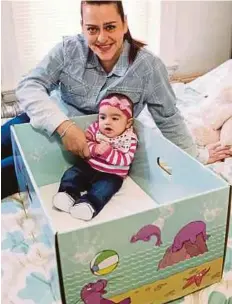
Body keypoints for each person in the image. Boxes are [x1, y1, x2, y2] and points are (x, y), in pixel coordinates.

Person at [1, 0, 231, 199]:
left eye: (110, 27)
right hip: (47, 122)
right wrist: (64, 127)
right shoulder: (67, 50)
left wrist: (196, 157)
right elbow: (29, 85)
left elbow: (169, 119)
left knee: (7, 172)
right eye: (92, 29)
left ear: (124, 24)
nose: (101, 38)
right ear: (82, 28)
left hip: (88, 148)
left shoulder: (148, 68)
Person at [53, 93, 138, 221]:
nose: (107, 122)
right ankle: (68, 193)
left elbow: (126, 160)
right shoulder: (95, 128)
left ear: (128, 123)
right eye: (103, 117)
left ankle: (89, 204)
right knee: (72, 174)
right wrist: (94, 148)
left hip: (112, 175)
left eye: (115, 119)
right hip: (89, 166)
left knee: (104, 190)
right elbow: (85, 142)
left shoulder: (129, 139)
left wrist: (108, 152)